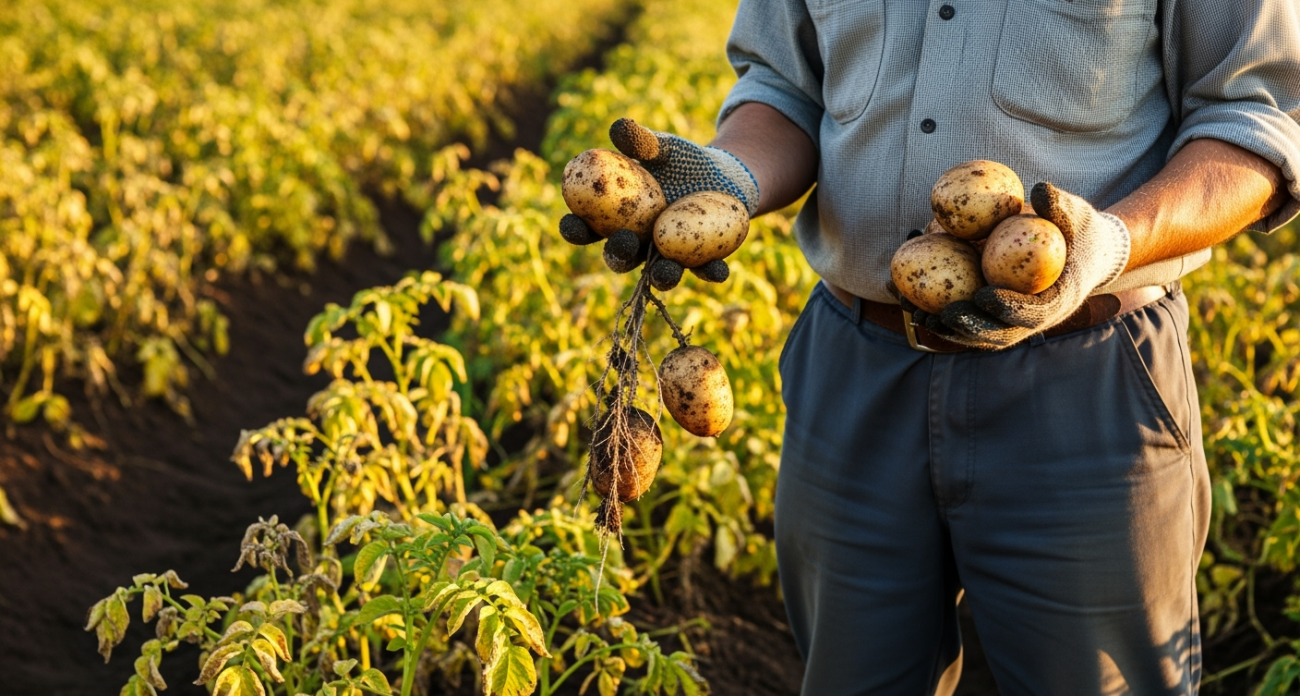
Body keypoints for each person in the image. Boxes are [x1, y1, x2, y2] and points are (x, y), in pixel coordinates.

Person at [565, 1, 1300, 693]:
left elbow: (1257, 120)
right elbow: (785, 88)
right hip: (855, 366)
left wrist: (1105, 245)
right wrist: (730, 177)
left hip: (1088, 378)